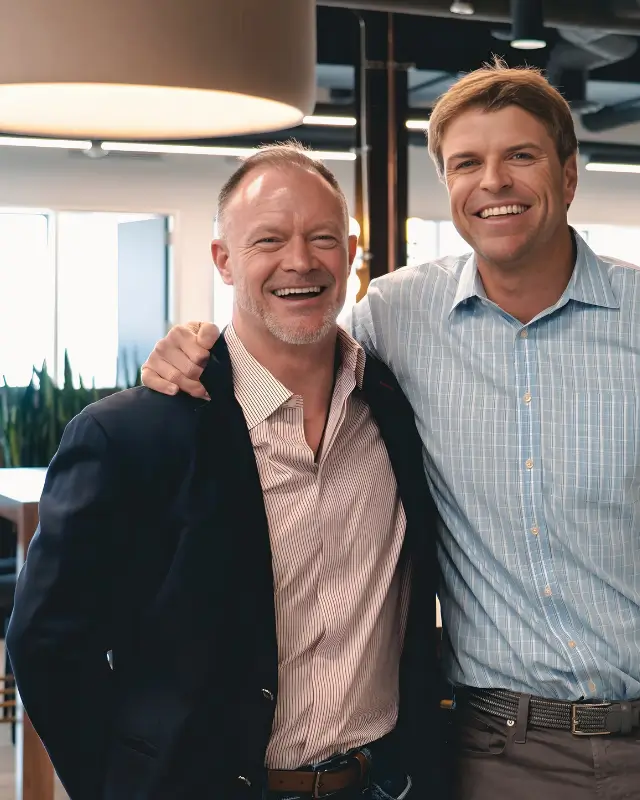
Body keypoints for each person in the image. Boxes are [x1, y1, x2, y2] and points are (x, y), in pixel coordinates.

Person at [141, 60, 640, 800]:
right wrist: (192, 345)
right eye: (468, 163)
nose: (493, 182)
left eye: (521, 156)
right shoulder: (395, 316)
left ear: (568, 176)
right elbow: (289, 324)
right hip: (498, 754)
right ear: (447, 184)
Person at [7, 144, 443, 800]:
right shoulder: (131, 435)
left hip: (380, 784)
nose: (300, 260)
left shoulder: (394, 406)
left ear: (351, 253)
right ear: (223, 260)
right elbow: (46, 643)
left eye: (323, 238)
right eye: (268, 239)